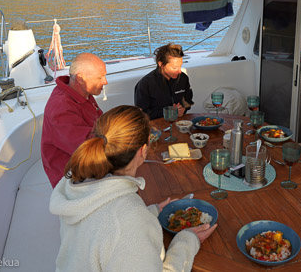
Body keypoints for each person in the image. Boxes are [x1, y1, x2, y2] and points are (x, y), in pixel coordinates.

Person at [50, 105, 217, 271]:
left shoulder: (78, 184)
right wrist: (187, 241)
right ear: (143, 151)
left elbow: (101, 227)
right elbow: (121, 226)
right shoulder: (128, 220)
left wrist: (151, 212)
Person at [41, 53, 108, 188]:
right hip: (73, 176)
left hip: (90, 156)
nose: (105, 82)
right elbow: (87, 150)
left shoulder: (82, 92)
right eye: (100, 77)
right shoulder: (62, 108)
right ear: (80, 78)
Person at [134, 43, 194, 120]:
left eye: (180, 66)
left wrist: (183, 109)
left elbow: (188, 101)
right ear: (161, 64)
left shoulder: (183, 78)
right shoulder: (145, 84)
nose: (179, 71)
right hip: (155, 125)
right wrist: (168, 112)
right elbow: (141, 114)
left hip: (179, 122)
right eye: (175, 68)